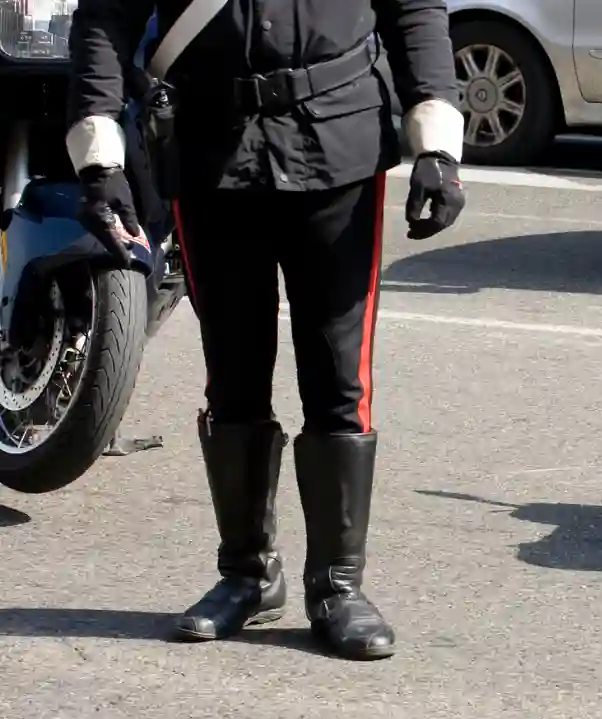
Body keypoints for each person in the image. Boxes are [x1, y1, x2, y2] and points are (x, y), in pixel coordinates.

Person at [65, 1, 468, 660]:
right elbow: (107, 13)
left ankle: (337, 585)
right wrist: (99, 155)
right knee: (233, 374)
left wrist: (438, 146)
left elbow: (414, 10)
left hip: (338, 147)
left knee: (339, 378)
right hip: (208, 150)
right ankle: (247, 574)